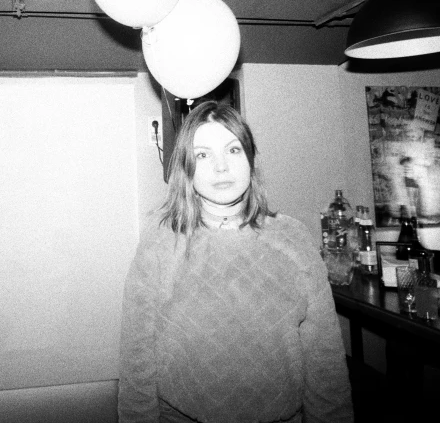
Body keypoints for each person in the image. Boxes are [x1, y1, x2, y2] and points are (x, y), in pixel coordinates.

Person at [118, 101, 353, 423]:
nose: (220, 167)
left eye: (232, 150)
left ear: (251, 159)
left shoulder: (293, 237)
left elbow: (325, 359)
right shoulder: (161, 242)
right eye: (202, 154)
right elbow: (137, 360)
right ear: (187, 167)